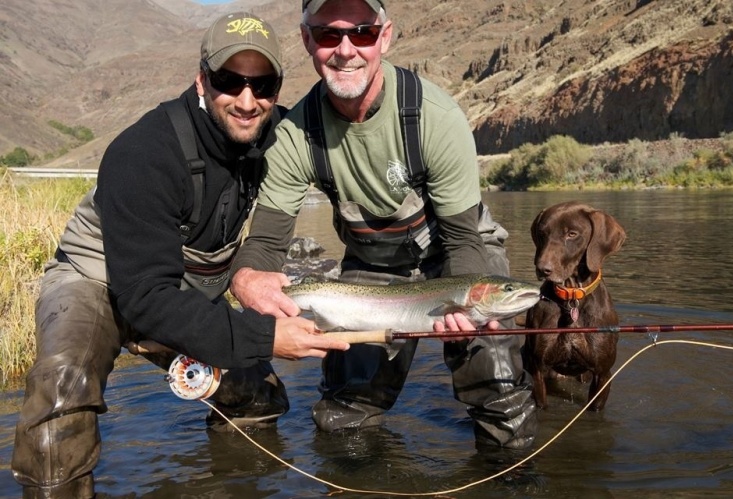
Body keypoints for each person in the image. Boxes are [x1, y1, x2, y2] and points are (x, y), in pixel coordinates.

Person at [11, 12, 349, 498]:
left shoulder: (280, 136)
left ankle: (235, 485)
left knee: (258, 398)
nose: (247, 100)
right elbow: (145, 297)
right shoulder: (144, 152)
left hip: (183, 288)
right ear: (201, 81)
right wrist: (265, 334)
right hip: (97, 283)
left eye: (263, 84)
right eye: (229, 81)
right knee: (61, 395)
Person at [230, 0, 537, 451]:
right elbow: (266, 243)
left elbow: (463, 238)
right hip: (371, 269)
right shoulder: (295, 135)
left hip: (457, 255)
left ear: (385, 36)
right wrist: (246, 278)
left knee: (497, 383)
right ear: (307, 40)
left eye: (363, 33)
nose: (346, 49)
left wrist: (467, 304)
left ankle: (510, 473)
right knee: (343, 415)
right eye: (329, 34)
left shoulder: (435, 116)